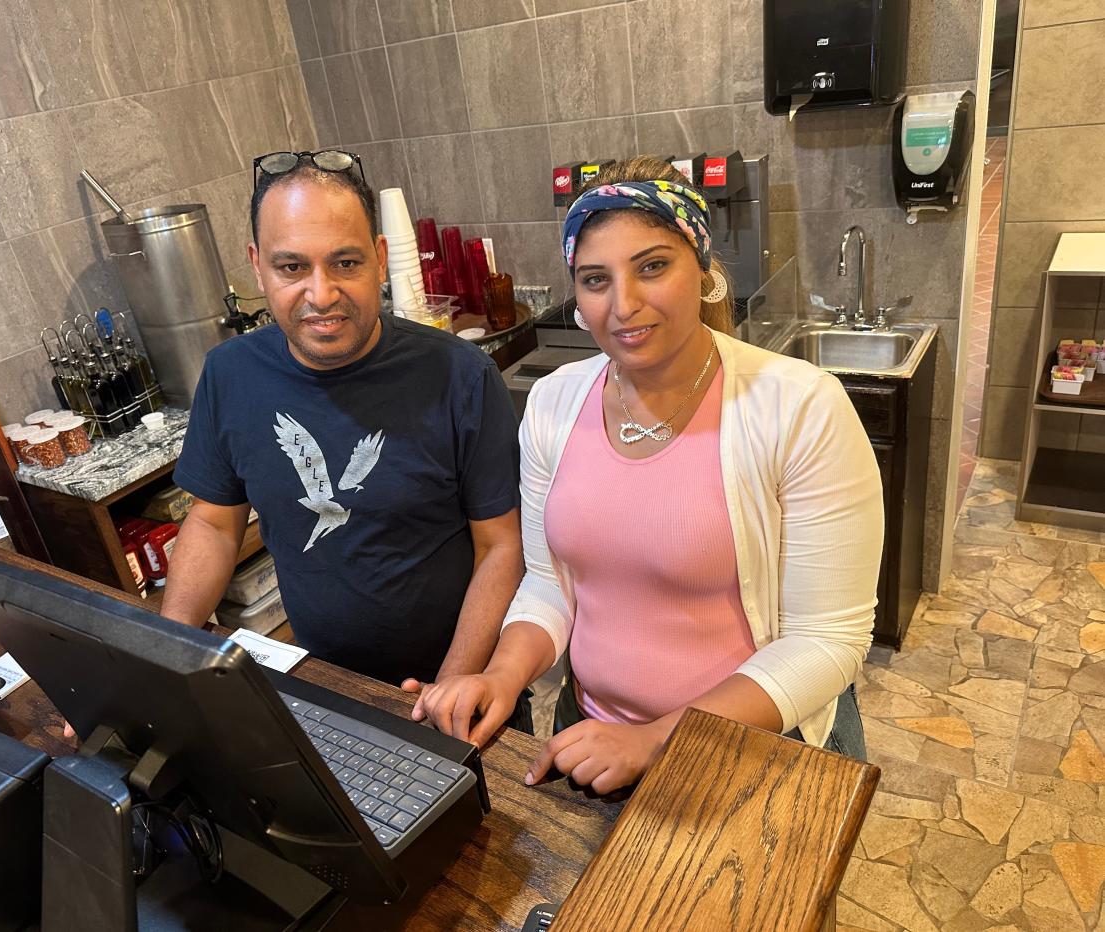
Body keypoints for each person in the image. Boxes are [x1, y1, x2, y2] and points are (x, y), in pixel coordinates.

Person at [412, 156, 884, 792]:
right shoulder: (554, 404)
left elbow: (828, 640)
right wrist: (500, 676)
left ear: (703, 270)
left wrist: (656, 739)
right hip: (592, 734)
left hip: (754, 749)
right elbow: (553, 582)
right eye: (595, 279)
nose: (624, 305)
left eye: (653, 266)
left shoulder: (798, 407)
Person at [165, 149, 526, 720]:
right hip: (320, 686)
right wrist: (167, 655)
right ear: (257, 267)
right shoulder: (230, 374)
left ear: (380, 260)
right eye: (291, 268)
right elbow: (213, 521)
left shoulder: (459, 375)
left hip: (463, 687)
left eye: (345, 263)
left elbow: (502, 545)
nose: (321, 293)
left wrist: (451, 687)